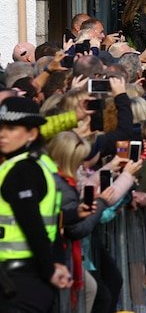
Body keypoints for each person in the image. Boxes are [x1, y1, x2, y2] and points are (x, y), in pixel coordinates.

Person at [0, 97, 73, 312]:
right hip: (27, 277)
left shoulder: (21, 170)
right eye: (0, 127)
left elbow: (32, 224)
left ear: (32, 133)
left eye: (12, 128)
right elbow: (52, 224)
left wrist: (50, 268)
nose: (3, 134)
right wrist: (55, 263)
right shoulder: (38, 163)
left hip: (19, 281)